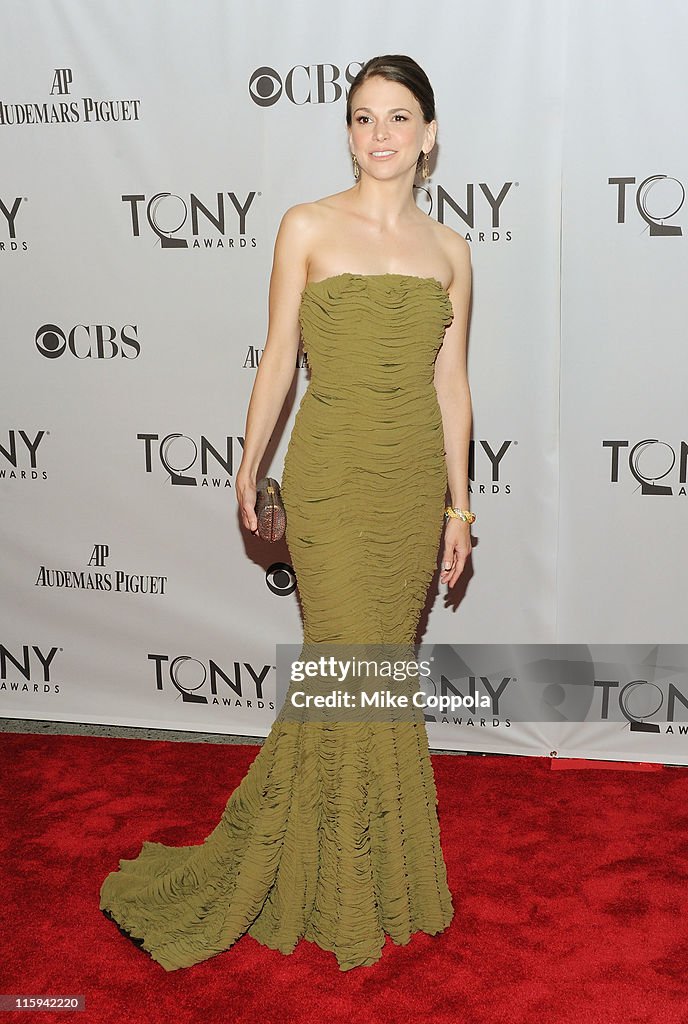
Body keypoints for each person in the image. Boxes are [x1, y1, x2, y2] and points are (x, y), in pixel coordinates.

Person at [100, 54, 473, 973]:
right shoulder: (305, 225)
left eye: (397, 117)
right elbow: (277, 360)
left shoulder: (452, 252)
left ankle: (368, 869)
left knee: (375, 677)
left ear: (429, 134)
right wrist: (247, 462)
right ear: (347, 132)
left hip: (411, 481)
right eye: (361, 117)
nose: (378, 134)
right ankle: (320, 876)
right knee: (344, 664)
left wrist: (461, 508)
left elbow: (453, 386)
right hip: (333, 479)